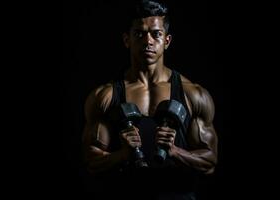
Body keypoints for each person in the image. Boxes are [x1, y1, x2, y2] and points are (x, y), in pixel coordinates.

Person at [82, 0, 218, 199]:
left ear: (167, 41)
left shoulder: (193, 95)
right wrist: (122, 155)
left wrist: (175, 152)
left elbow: (210, 162)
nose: (148, 41)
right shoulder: (105, 96)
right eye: (139, 34)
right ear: (127, 40)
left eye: (156, 34)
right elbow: (90, 162)